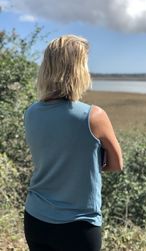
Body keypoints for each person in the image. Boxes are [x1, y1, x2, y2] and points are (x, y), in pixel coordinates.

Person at [23, 35, 123, 251]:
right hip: (78, 225)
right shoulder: (94, 116)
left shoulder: (31, 113)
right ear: (79, 71)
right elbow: (116, 165)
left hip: (35, 218)